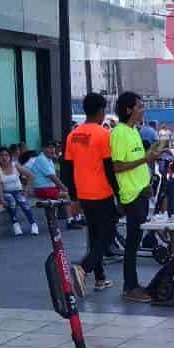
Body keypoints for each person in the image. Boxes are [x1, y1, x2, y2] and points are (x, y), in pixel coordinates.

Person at [64, 92, 120, 294]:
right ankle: (83, 268)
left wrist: (73, 197)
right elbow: (109, 168)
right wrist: (119, 193)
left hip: (84, 194)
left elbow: (67, 169)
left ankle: (100, 278)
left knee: (95, 236)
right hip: (102, 193)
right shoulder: (103, 134)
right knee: (106, 237)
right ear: (100, 111)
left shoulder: (73, 135)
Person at [110, 91, 162, 303]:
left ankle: (132, 284)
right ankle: (130, 286)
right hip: (131, 196)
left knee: (135, 240)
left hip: (141, 193)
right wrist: (145, 160)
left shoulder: (134, 131)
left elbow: (137, 162)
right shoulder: (120, 133)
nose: (143, 110)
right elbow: (118, 166)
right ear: (129, 109)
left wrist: (147, 181)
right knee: (132, 242)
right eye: (140, 106)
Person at [0, 148, 38, 236]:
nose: (4, 157)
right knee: (12, 201)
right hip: (5, 192)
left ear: (10, 157)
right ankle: (15, 224)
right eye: (1, 155)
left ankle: (33, 224)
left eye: (6, 155)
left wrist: (26, 190)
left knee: (23, 201)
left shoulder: (15, 165)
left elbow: (31, 176)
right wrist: (1, 199)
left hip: (18, 191)